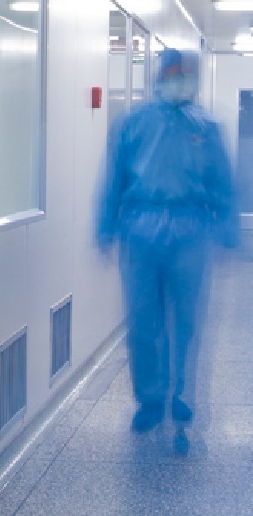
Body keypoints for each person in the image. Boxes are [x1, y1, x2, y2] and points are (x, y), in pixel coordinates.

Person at [96, 49, 238, 448]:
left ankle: (182, 396)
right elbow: (114, 179)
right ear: (159, 77)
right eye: (173, 74)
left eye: (186, 75)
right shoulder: (133, 124)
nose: (181, 81)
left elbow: (224, 184)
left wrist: (228, 232)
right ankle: (150, 400)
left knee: (188, 320)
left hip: (192, 230)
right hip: (139, 229)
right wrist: (105, 227)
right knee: (144, 319)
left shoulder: (207, 128)